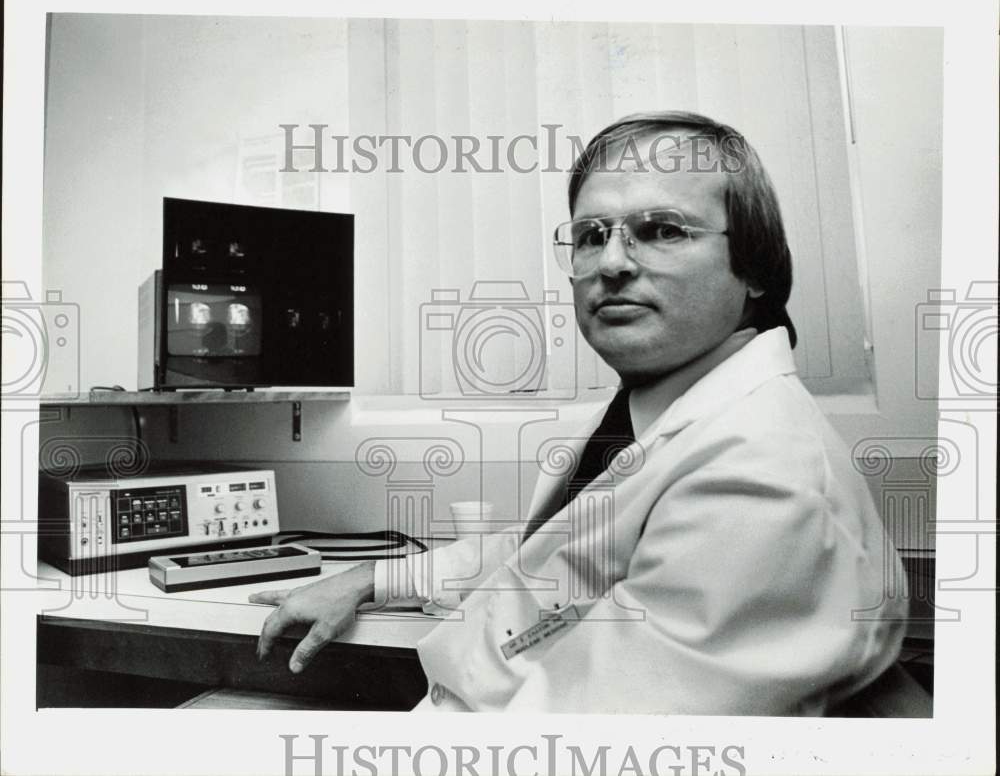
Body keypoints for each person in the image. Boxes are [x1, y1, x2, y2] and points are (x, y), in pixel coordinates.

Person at [251, 111, 908, 715]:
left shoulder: (760, 479)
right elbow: (550, 563)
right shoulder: (659, 413)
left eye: (662, 230)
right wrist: (374, 578)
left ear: (755, 265)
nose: (614, 263)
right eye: (592, 236)